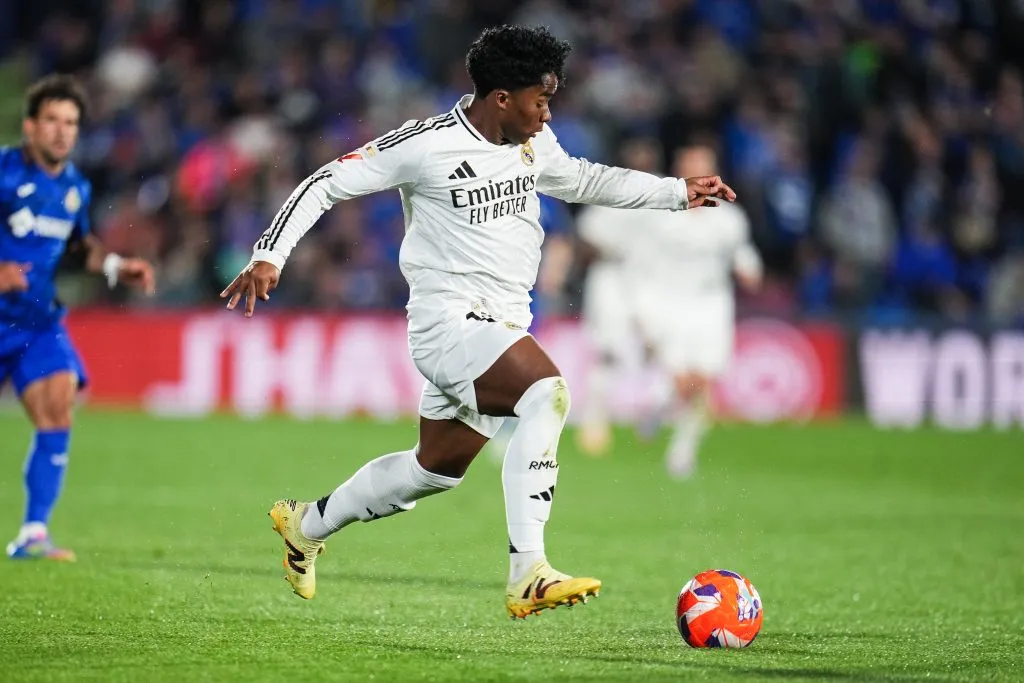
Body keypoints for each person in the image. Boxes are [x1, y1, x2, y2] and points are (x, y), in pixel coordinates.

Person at [221, 25, 735, 618]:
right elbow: (325, 183)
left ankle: (306, 524)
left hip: (503, 321)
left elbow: (587, 179)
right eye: (539, 100)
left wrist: (676, 192)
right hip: (450, 322)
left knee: (433, 469)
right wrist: (269, 252)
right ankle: (529, 572)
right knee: (548, 393)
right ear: (500, 98)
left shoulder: (534, 143)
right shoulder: (426, 144)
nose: (547, 114)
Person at [0, 74, 155, 560]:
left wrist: (114, 265)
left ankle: (33, 534)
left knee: (58, 407)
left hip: (36, 322)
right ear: (30, 126)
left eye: (70, 122)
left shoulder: (74, 188)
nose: (62, 131)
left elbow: (77, 246)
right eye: (52, 120)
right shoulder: (4, 172)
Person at [625, 144, 761, 478]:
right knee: (684, 380)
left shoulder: (729, 217)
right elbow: (639, 265)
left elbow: (741, 253)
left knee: (701, 381)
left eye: (705, 165)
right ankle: (663, 417)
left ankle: (680, 448)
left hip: (712, 304)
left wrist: (750, 270)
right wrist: (640, 311)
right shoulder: (659, 213)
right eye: (692, 165)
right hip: (669, 303)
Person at [574, 137, 663, 456]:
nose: (641, 160)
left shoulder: (664, 193)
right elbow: (583, 241)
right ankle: (596, 421)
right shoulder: (608, 193)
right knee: (607, 353)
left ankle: (652, 411)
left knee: (657, 348)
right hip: (611, 282)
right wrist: (608, 251)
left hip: (652, 282)